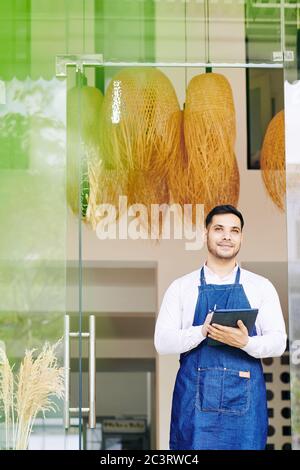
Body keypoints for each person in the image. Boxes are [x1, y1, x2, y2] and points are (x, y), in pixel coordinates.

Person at [154, 204, 287, 450]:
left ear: (241, 238)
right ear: (206, 234)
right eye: (219, 229)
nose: (227, 236)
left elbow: (279, 342)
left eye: (234, 231)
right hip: (193, 407)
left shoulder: (261, 286)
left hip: (245, 410)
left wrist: (246, 342)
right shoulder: (182, 287)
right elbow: (162, 342)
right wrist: (201, 331)